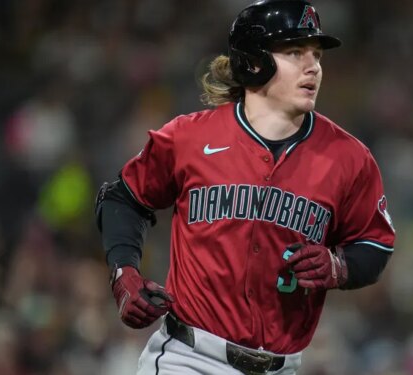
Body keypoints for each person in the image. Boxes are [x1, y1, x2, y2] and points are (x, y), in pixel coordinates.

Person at [95, 1, 396, 374]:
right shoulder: (190, 137)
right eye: (294, 52)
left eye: (316, 55)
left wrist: (341, 266)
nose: (313, 66)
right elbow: (123, 197)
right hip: (189, 358)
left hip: (282, 367)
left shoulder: (349, 158)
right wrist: (124, 271)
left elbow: (375, 244)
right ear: (254, 62)